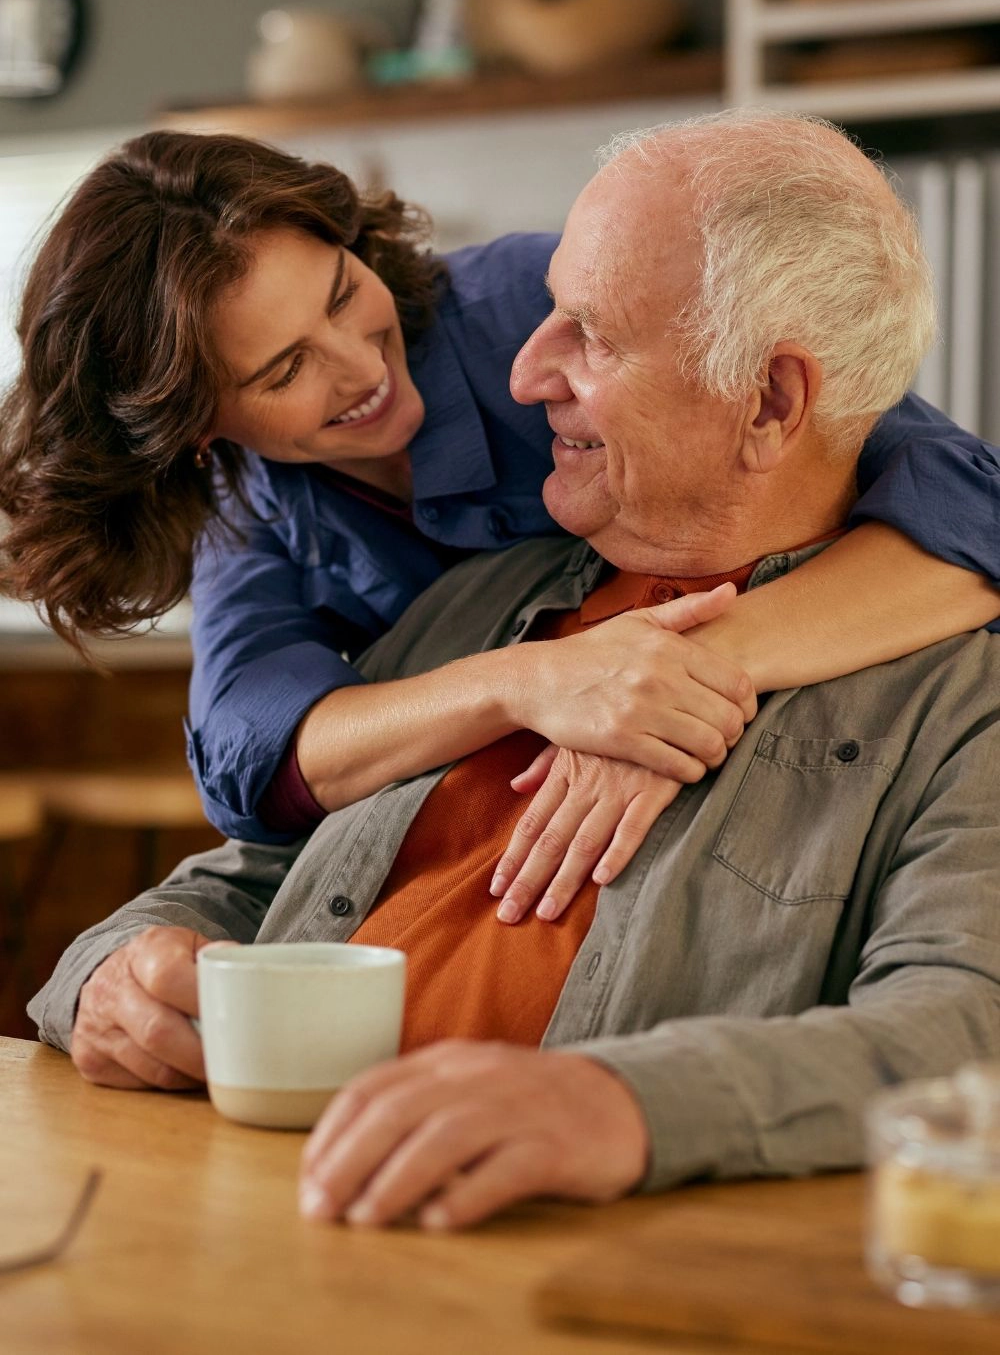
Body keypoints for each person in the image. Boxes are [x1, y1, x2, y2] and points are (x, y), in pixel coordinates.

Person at [30, 111, 1000, 1234]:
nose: (523, 371)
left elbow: (963, 1028)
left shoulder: (951, 697)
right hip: (242, 1198)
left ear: (770, 400)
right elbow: (251, 846)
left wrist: (615, 1102)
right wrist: (106, 974)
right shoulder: (477, 603)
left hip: (537, 1245)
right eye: (285, 367)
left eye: (587, 332)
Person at [1, 129, 998, 925]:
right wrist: (532, 681)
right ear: (195, 429)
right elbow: (258, 758)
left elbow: (962, 502)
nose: (359, 366)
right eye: (282, 369)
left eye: (346, 293)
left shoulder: (539, 305)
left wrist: (677, 667)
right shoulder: (247, 507)